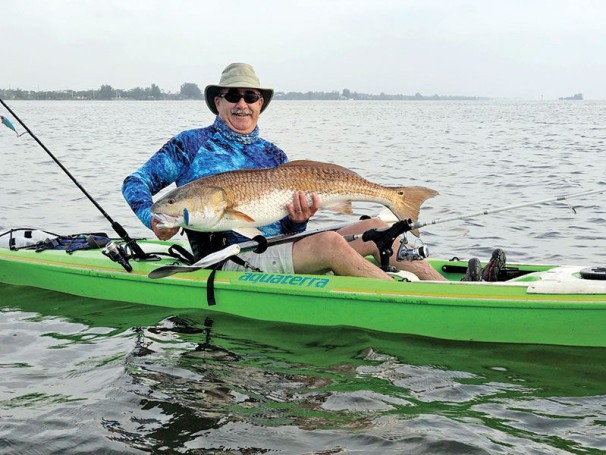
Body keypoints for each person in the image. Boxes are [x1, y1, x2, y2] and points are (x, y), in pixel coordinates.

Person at [123, 63, 504, 282]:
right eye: (233, 96)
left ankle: (447, 291)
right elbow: (136, 183)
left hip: (278, 248)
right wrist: (155, 218)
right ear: (218, 101)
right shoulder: (190, 145)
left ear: (261, 105)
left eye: (251, 97)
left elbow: (287, 228)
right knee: (330, 244)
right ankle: (405, 299)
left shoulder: (273, 154)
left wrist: (297, 220)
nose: (242, 104)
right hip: (232, 259)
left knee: (385, 225)